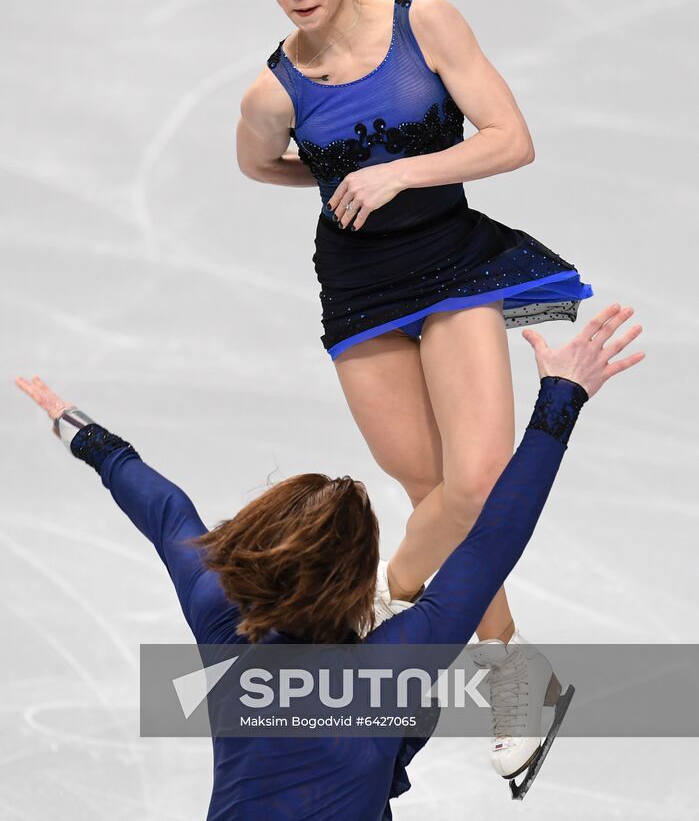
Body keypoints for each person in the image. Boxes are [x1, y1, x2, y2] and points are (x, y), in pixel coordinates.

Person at [16, 304, 644, 818]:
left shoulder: (223, 620)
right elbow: (491, 539)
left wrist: (82, 433)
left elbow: (165, 512)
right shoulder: (394, 663)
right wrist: (562, 395)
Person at [236, 0, 595, 781]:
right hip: (359, 290)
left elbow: (510, 139)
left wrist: (397, 174)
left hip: (454, 264)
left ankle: (387, 602)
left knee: (474, 484)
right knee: (429, 484)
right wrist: (340, 180)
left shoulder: (423, 22)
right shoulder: (271, 90)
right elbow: (258, 164)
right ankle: (512, 664)